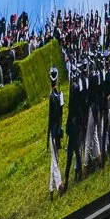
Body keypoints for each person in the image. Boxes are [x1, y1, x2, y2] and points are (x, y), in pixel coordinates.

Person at [47, 66, 64, 196]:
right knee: (55, 159)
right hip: (56, 131)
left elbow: (52, 118)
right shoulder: (57, 95)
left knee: (54, 159)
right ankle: (55, 186)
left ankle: (55, 186)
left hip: (54, 131)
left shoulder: (53, 96)